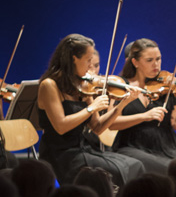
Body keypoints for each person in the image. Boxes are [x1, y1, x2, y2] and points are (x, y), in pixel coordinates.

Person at [37, 33, 145, 187]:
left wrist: (123, 104)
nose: (91, 67)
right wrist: (91, 108)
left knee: (135, 165)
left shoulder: (83, 85)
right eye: (88, 60)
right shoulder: (49, 85)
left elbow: (97, 127)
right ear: (74, 58)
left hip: (85, 149)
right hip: (61, 154)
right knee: (116, 171)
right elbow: (61, 126)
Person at [109, 37, 176, 174]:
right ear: (135, 62)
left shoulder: (167, 85)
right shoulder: (122, 86)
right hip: (132, 146)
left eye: (158, 59)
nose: (156, 64)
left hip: (167, 147)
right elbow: (112, 123)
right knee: (170, 169)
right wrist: (144, 116)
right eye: (149, 60)